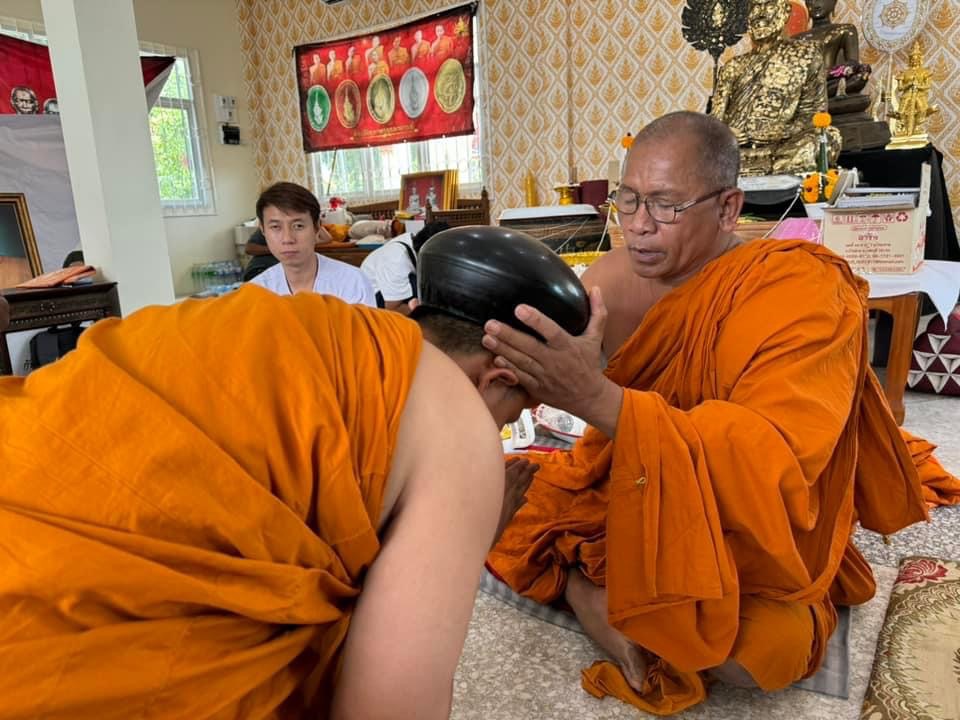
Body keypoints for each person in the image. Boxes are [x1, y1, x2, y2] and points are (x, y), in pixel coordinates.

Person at [0, 226, 590, 718]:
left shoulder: (326, 326)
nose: (505, 427)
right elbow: (388, 708)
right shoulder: (461, 421)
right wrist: (472, 524)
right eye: (517, 411)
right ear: (499, 375)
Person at [483, 111, 960, 715]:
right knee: (504, 497)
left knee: (763, 652)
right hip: (636, 484)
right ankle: (586, 588)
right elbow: (532, 378)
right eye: (628, 200)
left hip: (750, 521)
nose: (639, 225)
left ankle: (589, 592)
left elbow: (777, 463)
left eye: (666, 205)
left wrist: (597, 400)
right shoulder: (608, 283)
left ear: (729, 209)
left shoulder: (799, 290)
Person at [710, 0, 839, 175]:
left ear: (784, 12)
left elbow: (814, 115)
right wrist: (728, 133)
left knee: (826, 137)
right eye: (755, 7)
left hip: (784, 146)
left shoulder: (805, 56)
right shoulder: (733, 66)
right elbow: (715, 121)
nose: (761, 13)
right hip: (737, 149)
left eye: (769, 5)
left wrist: (781, 131)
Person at [247, 182, 374, 304]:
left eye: (298, 226)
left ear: (317, 227)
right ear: (263, 230)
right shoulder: (256, 292)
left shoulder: (353, 282)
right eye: (275, 227)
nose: (288, 239)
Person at [360, 221, 449, 313]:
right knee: (429, 293)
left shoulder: (416, 240)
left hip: (391, 287)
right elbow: (393, 308)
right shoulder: (396, 260)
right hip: (375, 299)